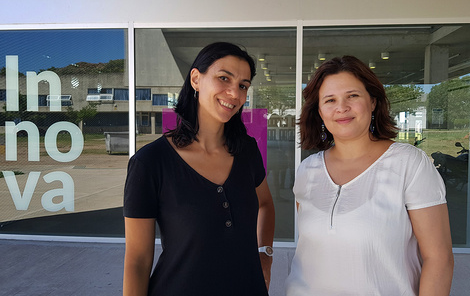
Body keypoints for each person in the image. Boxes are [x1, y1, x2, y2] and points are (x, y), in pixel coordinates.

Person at [286, 55, 454, 296]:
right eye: (330, 100)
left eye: (352, 96)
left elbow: (439, 259)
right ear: (319, 111)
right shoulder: (308, 170)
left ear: (373, 101)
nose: (341, 107)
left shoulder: (409, 164)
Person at [123, 42, 275, 296]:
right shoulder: (150, 163)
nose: (234, 93)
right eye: (224, 78)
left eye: (243, 86)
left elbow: (266, 204)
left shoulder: (247, 150)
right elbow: (137, 261)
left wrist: (265, 255)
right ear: (196, 78)